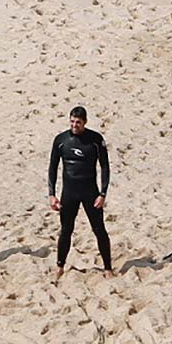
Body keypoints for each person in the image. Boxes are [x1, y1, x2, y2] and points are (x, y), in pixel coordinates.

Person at [48, 106, 113, 279]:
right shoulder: (61, 140)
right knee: (66, 230)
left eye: (78, 122)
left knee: (99, 229)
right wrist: (51, 194)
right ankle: (60, 267)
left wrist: (103, 194)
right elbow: (52, 168)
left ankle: (108, 268)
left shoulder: (95, 140)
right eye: (72, 121)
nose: (74, 125)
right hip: (69, 192)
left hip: (90, 192)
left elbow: (105, 166)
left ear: (85, 122)